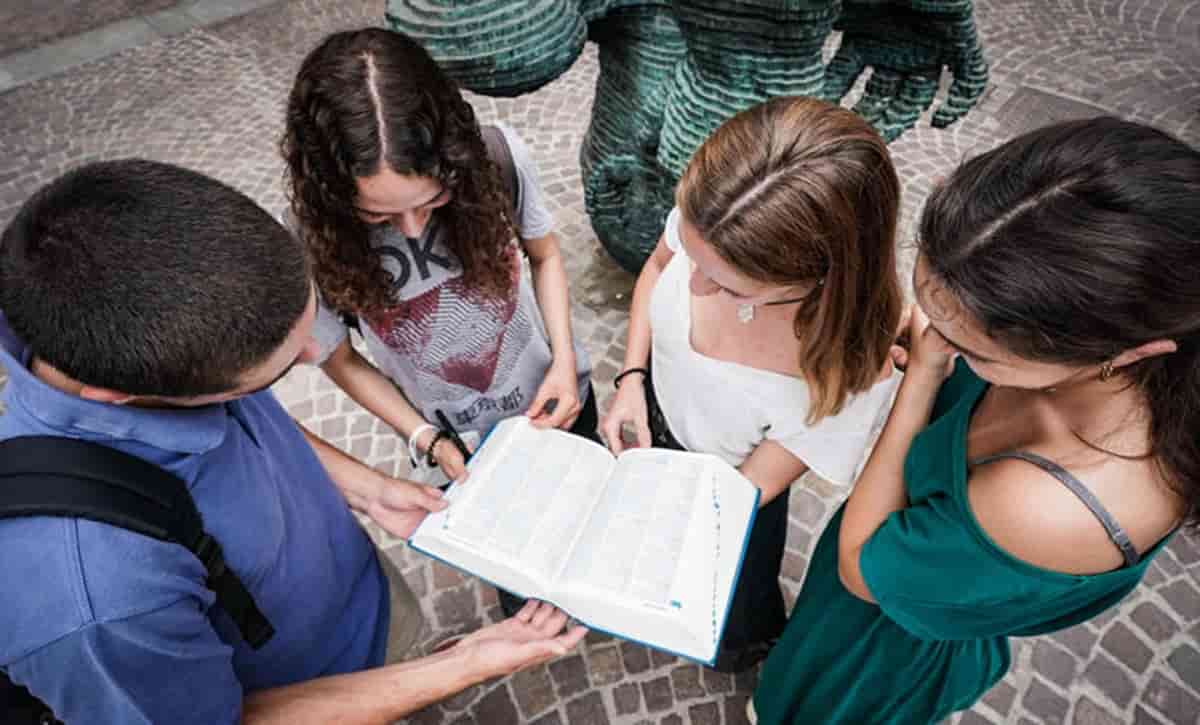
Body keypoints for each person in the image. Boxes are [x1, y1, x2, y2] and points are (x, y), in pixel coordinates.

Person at [0, 159, 586, 725]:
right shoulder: (95, 608)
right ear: (116, 394)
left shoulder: (160, 322)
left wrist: (368, 489)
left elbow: (241, 427)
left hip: (360, 611)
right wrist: (464, 663)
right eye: (279, 371)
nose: (316, 353)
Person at [752, 116, 1199, 723]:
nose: (938, 338)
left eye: (976, 353)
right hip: (885, 585)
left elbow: (862, 565)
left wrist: (924, 378)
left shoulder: (1058, 505)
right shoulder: (1055, 342)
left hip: (886, 645)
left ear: (1127, 353)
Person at [281, 27, 599, 616]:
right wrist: (422, 435)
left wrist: (561, 361)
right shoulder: (309, 238)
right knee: (517, 567)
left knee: (587, 527)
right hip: (458, 442)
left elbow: (546, 254)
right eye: (376, 213)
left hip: (559, 401)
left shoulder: (496, 157)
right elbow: (339, 357)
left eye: (429, 203)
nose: (409, 229)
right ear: (330, 190)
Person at [601, 96, 905, 672]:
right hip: (652, 417)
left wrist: (659, 516)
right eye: (696, 262)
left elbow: (749, 489)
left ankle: (743, 650)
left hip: (733, 487)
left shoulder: (845, 368)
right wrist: (631, 378)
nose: (694, 289)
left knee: (734, 604)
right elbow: (658, 268)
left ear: (820, 278)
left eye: (731, 289)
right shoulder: (715, 220)